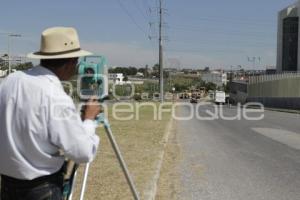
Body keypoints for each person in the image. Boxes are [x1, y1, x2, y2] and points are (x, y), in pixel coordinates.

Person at [0, 27, 101, 200]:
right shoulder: (56, 97)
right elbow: (83, 152)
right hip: (41, 189)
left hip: (8, 186)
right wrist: (90, 119)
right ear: (72, 61)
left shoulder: (10, 80)